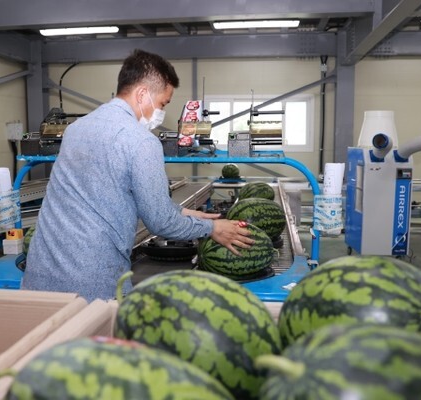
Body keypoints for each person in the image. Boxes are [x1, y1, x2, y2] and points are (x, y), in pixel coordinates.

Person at [22, 49, 253, 302]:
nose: (161, 112)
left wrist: (182, 212)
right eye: (163, 103)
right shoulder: (141, 141)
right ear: (142, 93)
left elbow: (105, 192)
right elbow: (161, 224)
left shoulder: (77, 128)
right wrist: (212, 228)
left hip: (40, 274)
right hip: (90, 283)